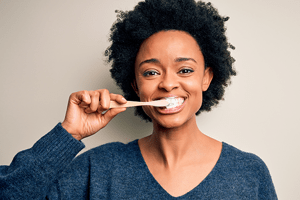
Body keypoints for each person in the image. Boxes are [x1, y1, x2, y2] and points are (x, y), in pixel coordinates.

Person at [0, 0, 277, 199]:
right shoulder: (97, 169)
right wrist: (68, 134)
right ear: (135, 84)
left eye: (185, 70)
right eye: (151, 72)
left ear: (206, 78)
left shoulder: (249, 173)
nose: (168, 83)